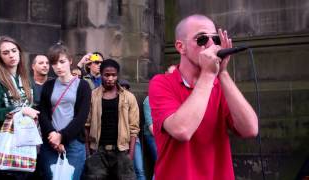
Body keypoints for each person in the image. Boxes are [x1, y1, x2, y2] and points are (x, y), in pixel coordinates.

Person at [148, 14, 258, 180]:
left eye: (215, 39)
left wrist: (223, 73)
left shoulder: (219, 85)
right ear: (181, 47)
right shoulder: (161, 83)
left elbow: (250, 129)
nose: (211, 45)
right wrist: (208, 74)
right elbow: (182, 130)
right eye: (201, 39)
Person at [38, 43, 91, 180]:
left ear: (70, 61)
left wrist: (61, 136)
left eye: (62, 61)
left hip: (73, 143)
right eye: (54, 63)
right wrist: (52, 135)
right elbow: (43, 113)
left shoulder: (83, 86)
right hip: (50, 143)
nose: (58, 67)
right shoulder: (48, 85)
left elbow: (81, 117)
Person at [0, 36, 40, 179]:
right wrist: (19, 110)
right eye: (5, 53)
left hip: (25, 139)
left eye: (14, 50)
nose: (11, 55)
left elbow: (33, 106)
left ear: (19, 52)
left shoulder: (26, 79)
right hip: (4, 139)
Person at [83, 59, 140, 180]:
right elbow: (86, 125)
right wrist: (88, 153)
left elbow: (134, 128)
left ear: (117, 75)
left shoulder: (129, 97)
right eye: (106, 75)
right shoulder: (93, 96)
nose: (110, 78)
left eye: (113, 75)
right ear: (101, 75)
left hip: (122, 151)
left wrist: (130, 155)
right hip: (98, 151)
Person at [120, 79, 146, 180]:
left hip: (134, 138)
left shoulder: (132, 101)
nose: (124, 91)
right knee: (124, 171)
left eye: (126, 89)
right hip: (121, 141)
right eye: (122, 89)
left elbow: (136, 124)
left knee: (139, 169)